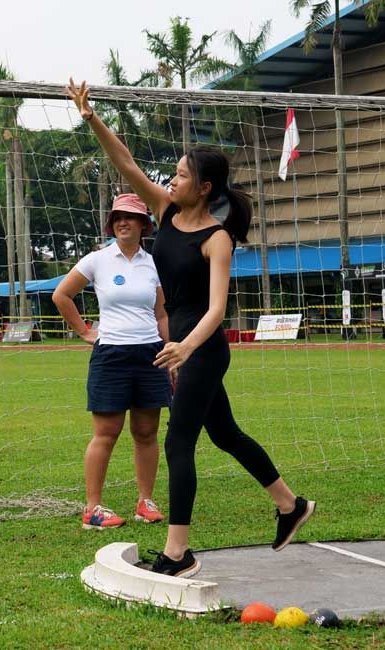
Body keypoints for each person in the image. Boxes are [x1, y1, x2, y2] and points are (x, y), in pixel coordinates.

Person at [67, 78, 315, 576]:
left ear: (204, 188)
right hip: (178, 345)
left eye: (181, 176)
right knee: (224, 432)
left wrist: (183, 348)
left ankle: (178, 555)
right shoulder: (165, 211)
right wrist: (91, 116)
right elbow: (128, 165)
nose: (173, 180)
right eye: (174, 175)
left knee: (179, 442)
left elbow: (218, 310)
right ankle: (291, 506)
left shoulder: (217, 238)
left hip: (201, 347)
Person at [53, 193, 172, 530]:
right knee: (106, 433)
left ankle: (145, 501)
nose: (123, 222)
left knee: (147, 432)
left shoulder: (154, 263)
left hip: (151, 353)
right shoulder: (97, 260)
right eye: (118, 216)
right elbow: (61, 295)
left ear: (143, 225)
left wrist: (169, 349)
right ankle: (93, 508)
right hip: (111, 355)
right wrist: (85, 332)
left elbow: (160, 312)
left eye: (131, 217)